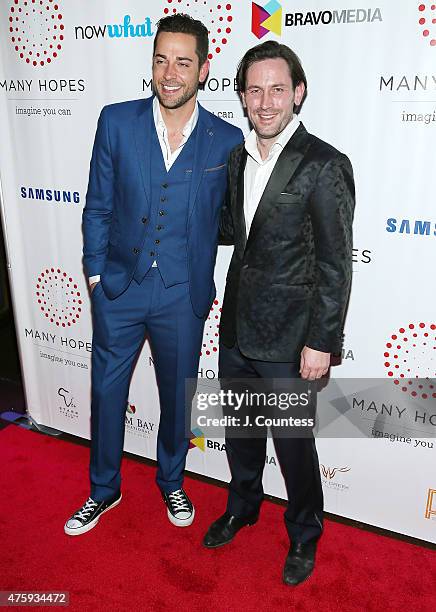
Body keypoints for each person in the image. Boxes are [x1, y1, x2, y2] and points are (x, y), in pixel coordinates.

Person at [64, 13, 243, 536]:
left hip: (182, 295)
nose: (170, 72)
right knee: (106, 393)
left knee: (176, 397)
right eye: (161, 60)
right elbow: (96, 205)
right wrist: (96, 275)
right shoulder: (115, 121)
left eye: (183, 62)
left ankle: (172, 481)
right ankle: (103, 490)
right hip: (119, 288)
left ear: (204, 69)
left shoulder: (228, 139)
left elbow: (231, 219)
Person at [203, 41, 355, 586]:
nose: (265, 102)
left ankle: (304, 533)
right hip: (238, 328)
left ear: (299, 93)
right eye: (254, 90)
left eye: (277, 89)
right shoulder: (238, 158)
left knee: (293, 446)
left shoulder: (324, 164)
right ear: (243, 97)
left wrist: (322, 342)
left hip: (293, 340)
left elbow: (336, 265)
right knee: (241, 432)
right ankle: (242, 508)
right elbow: (234, 234)